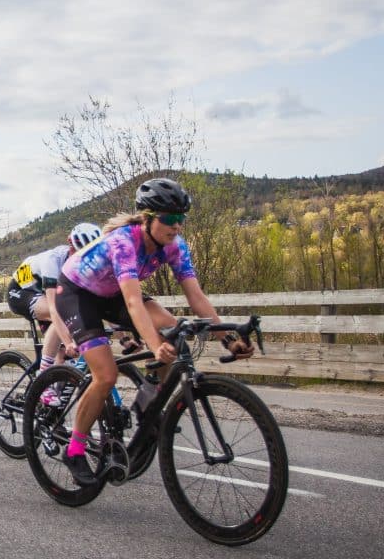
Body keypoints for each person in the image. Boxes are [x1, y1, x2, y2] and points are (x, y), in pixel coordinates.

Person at [56, 177, 254, 485]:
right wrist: (153, 344)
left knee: (174, 331)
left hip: (113, 295)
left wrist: (227, 340)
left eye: (181, 219)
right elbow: (134, 302)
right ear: (147, 219)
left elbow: (196, 297)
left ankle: (149, 397)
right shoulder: (124, 241)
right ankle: (75, 449)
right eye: (170, 220)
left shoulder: (175, 246)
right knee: (106, 376)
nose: (176, 227)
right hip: (78, 295)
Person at [7, 222, 101, 404]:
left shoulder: (87, 267)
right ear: (69, 244)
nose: (81, 258)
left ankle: (48, 412)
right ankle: (43, 379)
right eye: (78, 251)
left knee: (62, 357)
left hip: (42, 295)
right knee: (58, 313)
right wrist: (69, 341)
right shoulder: (53, 260)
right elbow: (54, 307)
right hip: (21, 292)